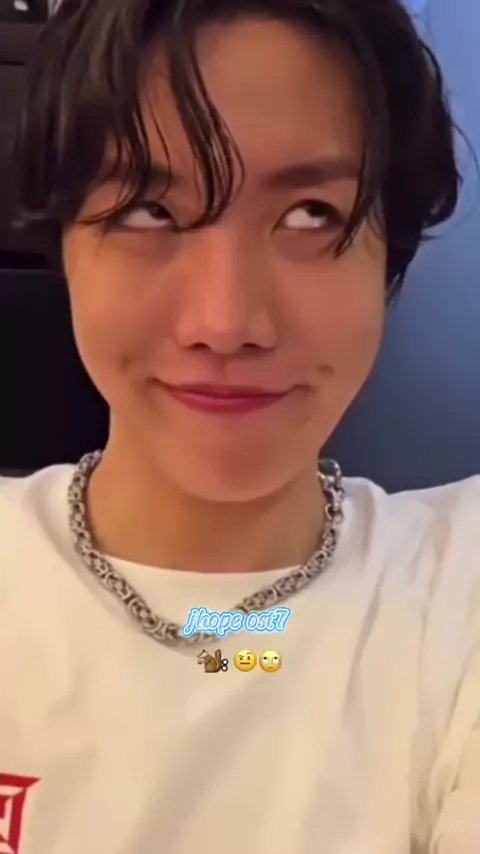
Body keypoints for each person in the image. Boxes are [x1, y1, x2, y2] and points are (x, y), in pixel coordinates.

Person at [1, 0, 479, 851]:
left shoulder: (456, 593)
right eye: (148, 211)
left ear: (389, 255)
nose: (225, 323)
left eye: (312, 215)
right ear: (62, 243)